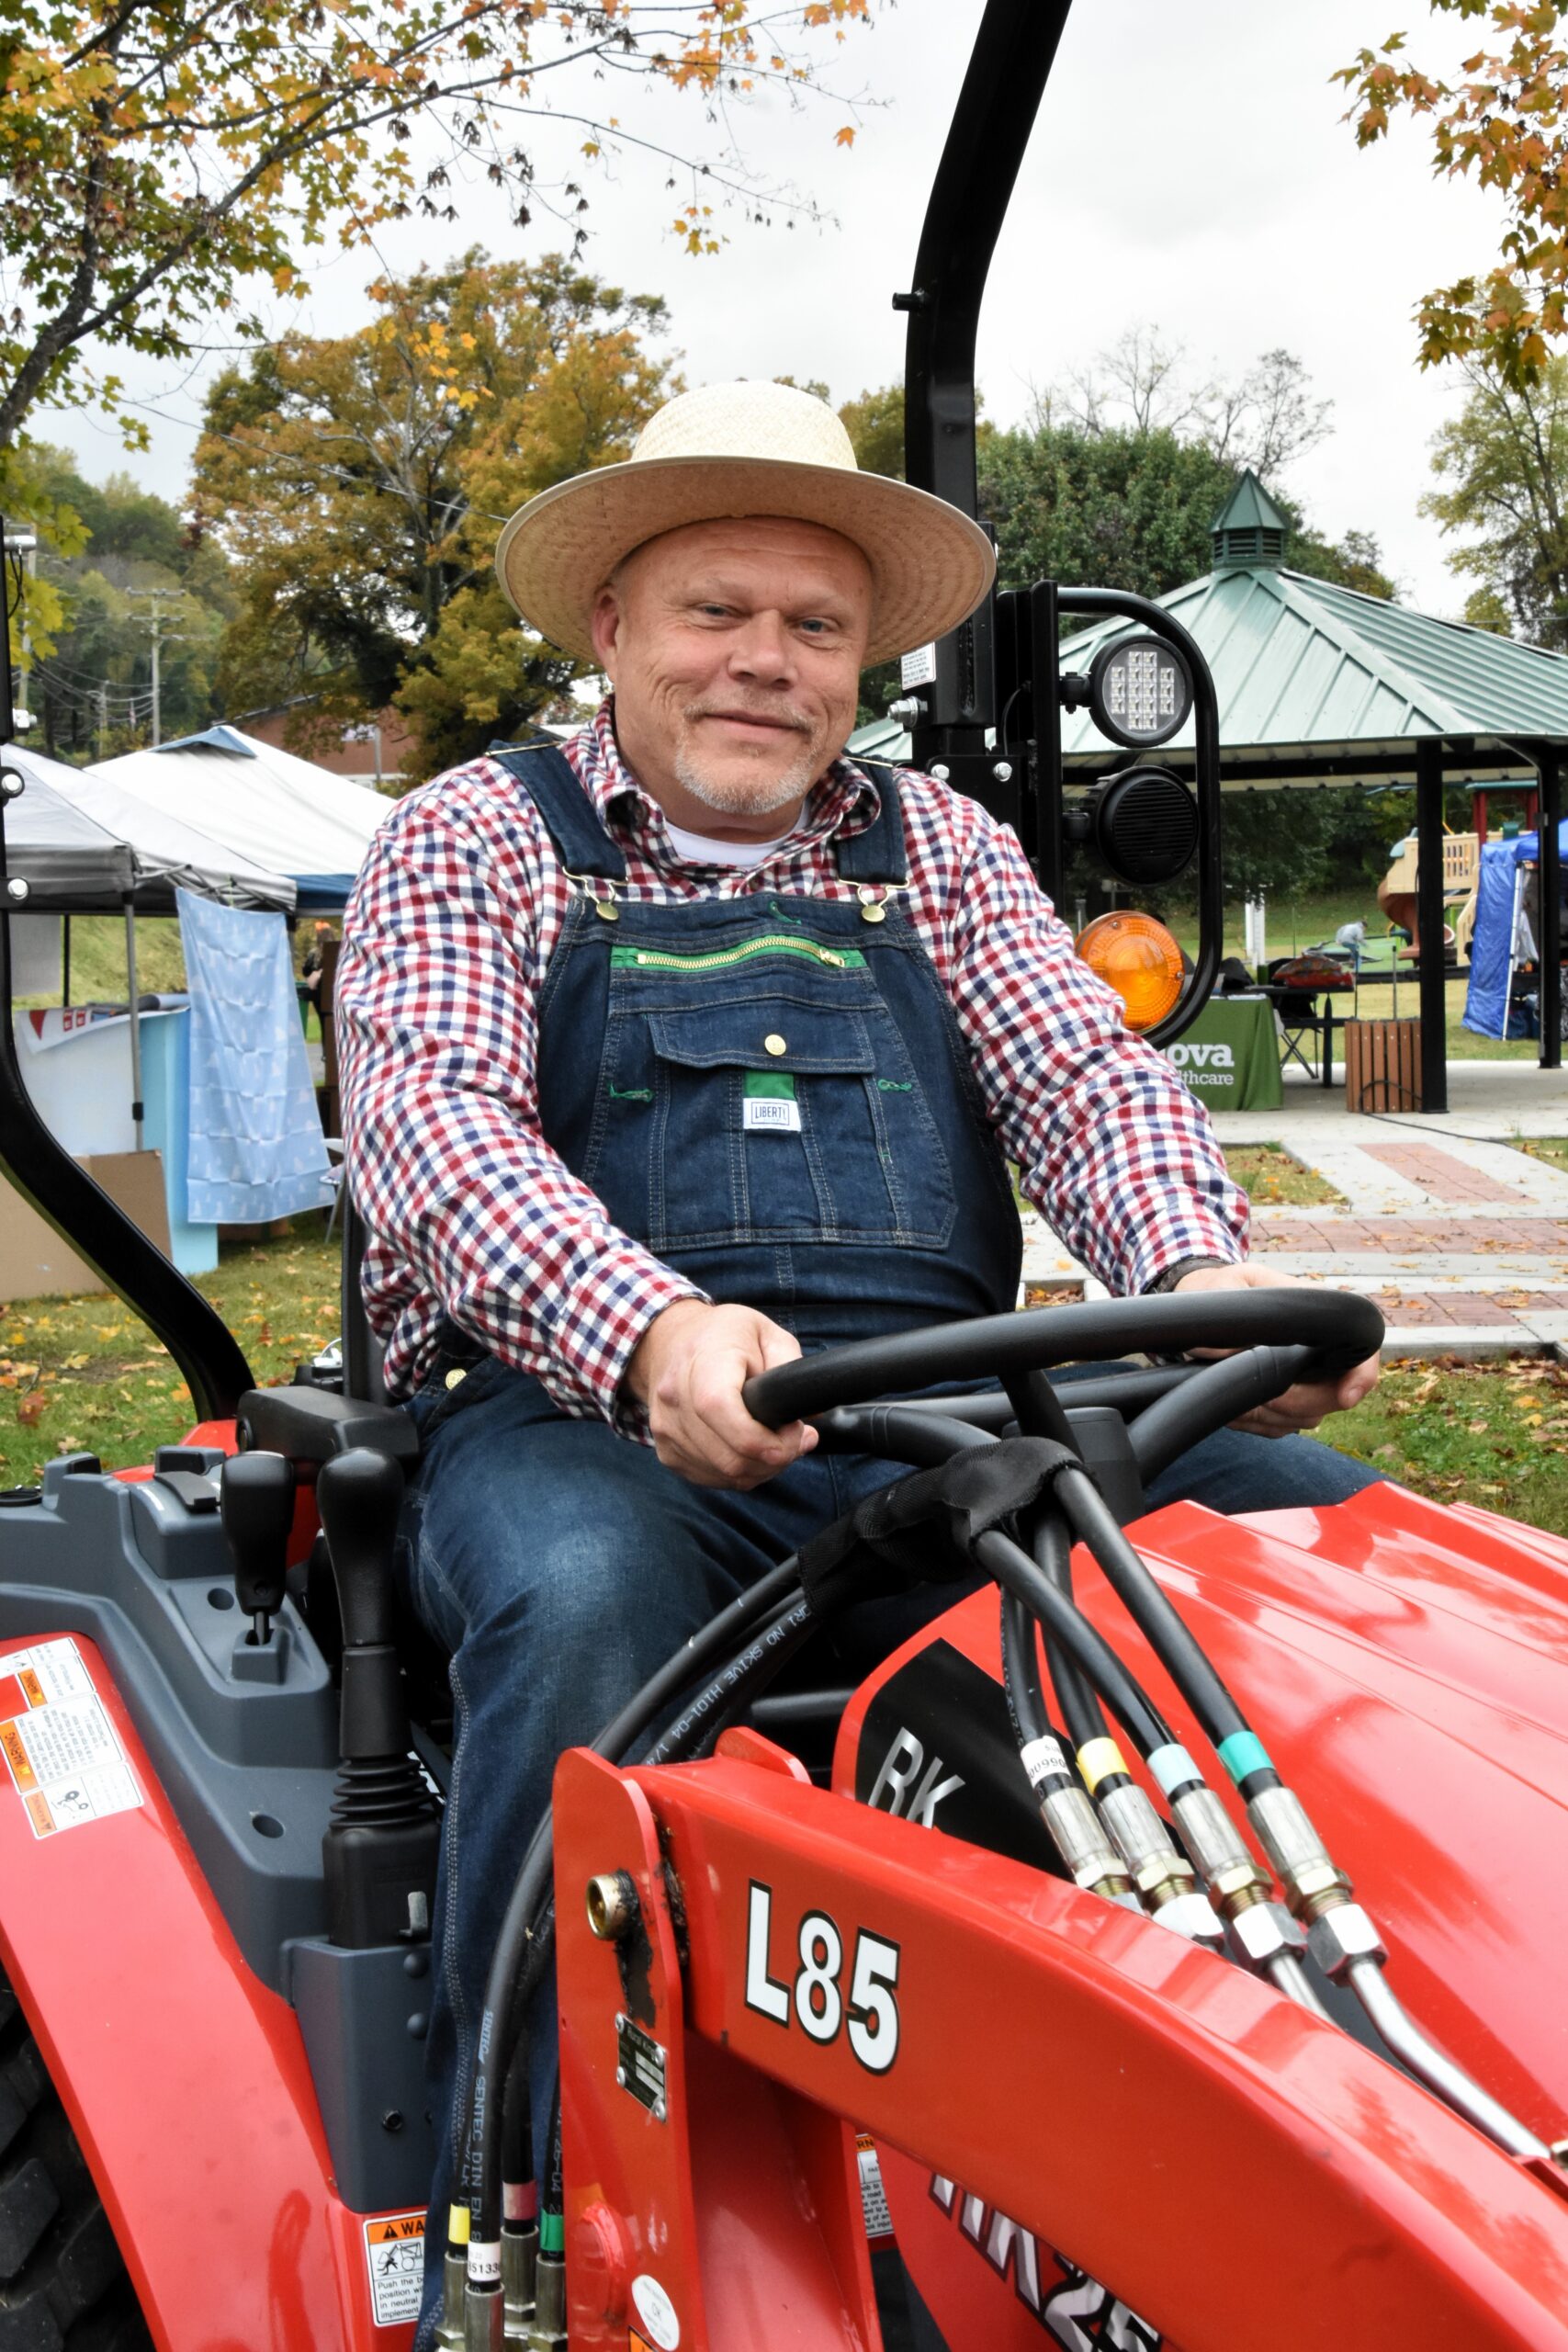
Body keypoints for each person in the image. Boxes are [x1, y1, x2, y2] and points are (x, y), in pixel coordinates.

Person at [333, 379, 1382, 2341]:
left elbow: (1085, 1078)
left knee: (1336, 1550)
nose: (766, 660)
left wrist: (1196, 1277)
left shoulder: (939, 849)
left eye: (814, 626)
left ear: (861, 661)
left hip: (942, 1406)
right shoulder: (474, 839)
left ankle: (1368, 2078)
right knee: (586, 1610)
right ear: (612, 629)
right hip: (584, 1417)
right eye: (715, 611)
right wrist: (646, 1324)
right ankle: (547, 2221)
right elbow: (433, 1134)